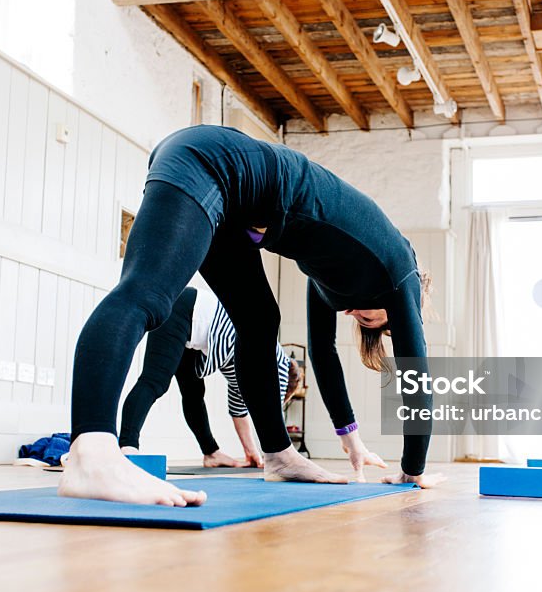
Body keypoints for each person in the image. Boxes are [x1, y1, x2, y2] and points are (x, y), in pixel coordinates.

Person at [59, 125, 441, 506]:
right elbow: (415, 372)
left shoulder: (332, 279)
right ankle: (91, 453)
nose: (354, 314)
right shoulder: (401, 271)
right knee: (147, 295)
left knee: (258, 321)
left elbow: (323, 355)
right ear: (397, 309)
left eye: (362, 321)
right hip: (211, 162)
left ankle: (278, 454)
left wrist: (350, 440)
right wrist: (414, 466)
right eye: (368, 319)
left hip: (233, 206)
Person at [117, 286, 301, 469]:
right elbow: (272, 408)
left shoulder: (249, 370)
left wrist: (252, 453)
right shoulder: (278, 365)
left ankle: (211, 453)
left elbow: (239, 410)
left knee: (193, 394)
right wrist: (276, 454)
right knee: (154, 381)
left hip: (192, 326)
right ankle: (127, 447)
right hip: (184, 310)